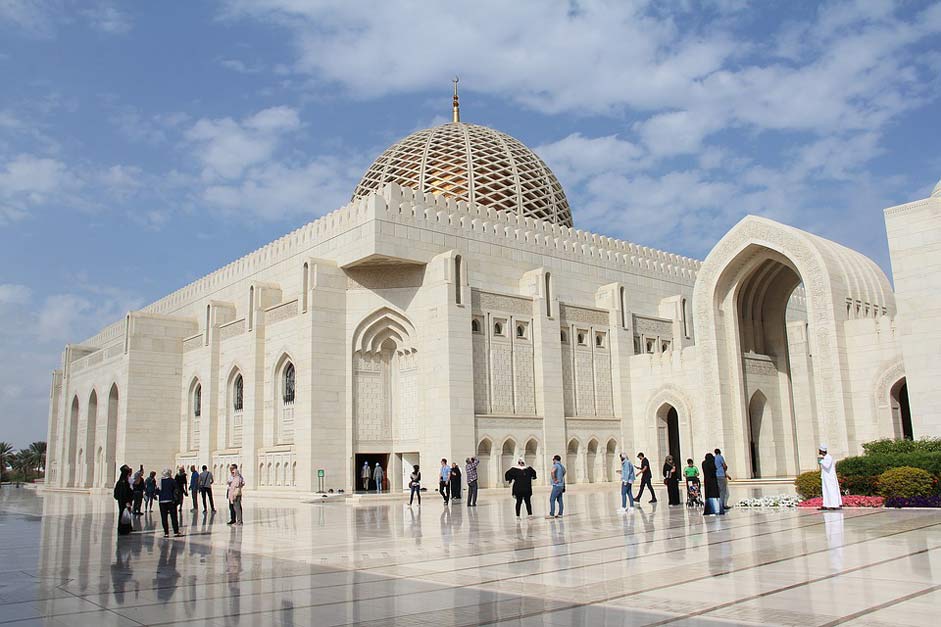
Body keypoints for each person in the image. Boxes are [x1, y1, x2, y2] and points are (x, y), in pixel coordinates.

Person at [157, 468, 183, 538]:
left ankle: (166, 533)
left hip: (162, 501)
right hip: (171, 501)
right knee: (173, 516)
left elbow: (157, 491)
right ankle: (176, 532)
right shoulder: (172, 481)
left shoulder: (159, 481)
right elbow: (177, 489)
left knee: (164, 517)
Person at [818, 444, 843, 510]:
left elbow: (827, 465)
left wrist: (821, 461)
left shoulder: (828, 457)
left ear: (822, 451)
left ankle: (833, 504)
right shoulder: (825, 458)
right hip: (826, 477)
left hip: (830, 477)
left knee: (831, 490)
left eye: (819, 450)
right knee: (826, 490)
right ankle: (826, 504)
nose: (819, 451)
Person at [114, 465, 134, 535]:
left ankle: (125, 528)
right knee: (124, 514)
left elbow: (116, 494)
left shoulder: (120, 481)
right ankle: (124, 529)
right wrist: (127, 501)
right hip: (125, 501)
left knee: (123, 514)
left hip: (121, 501)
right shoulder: (124, 482)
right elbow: (125, 493)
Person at [548, 454, 566, 518]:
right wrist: (560, 479)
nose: (553, 461)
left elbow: (552, 472)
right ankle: (560, 514)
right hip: (561, 485)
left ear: (555, 460)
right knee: (560, 500)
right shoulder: (562, 466)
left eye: (553, 460)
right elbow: (564, 473)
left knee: (552, 499)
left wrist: (555, 479)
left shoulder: (556, 465)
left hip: (557, 485)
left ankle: (551, 514)